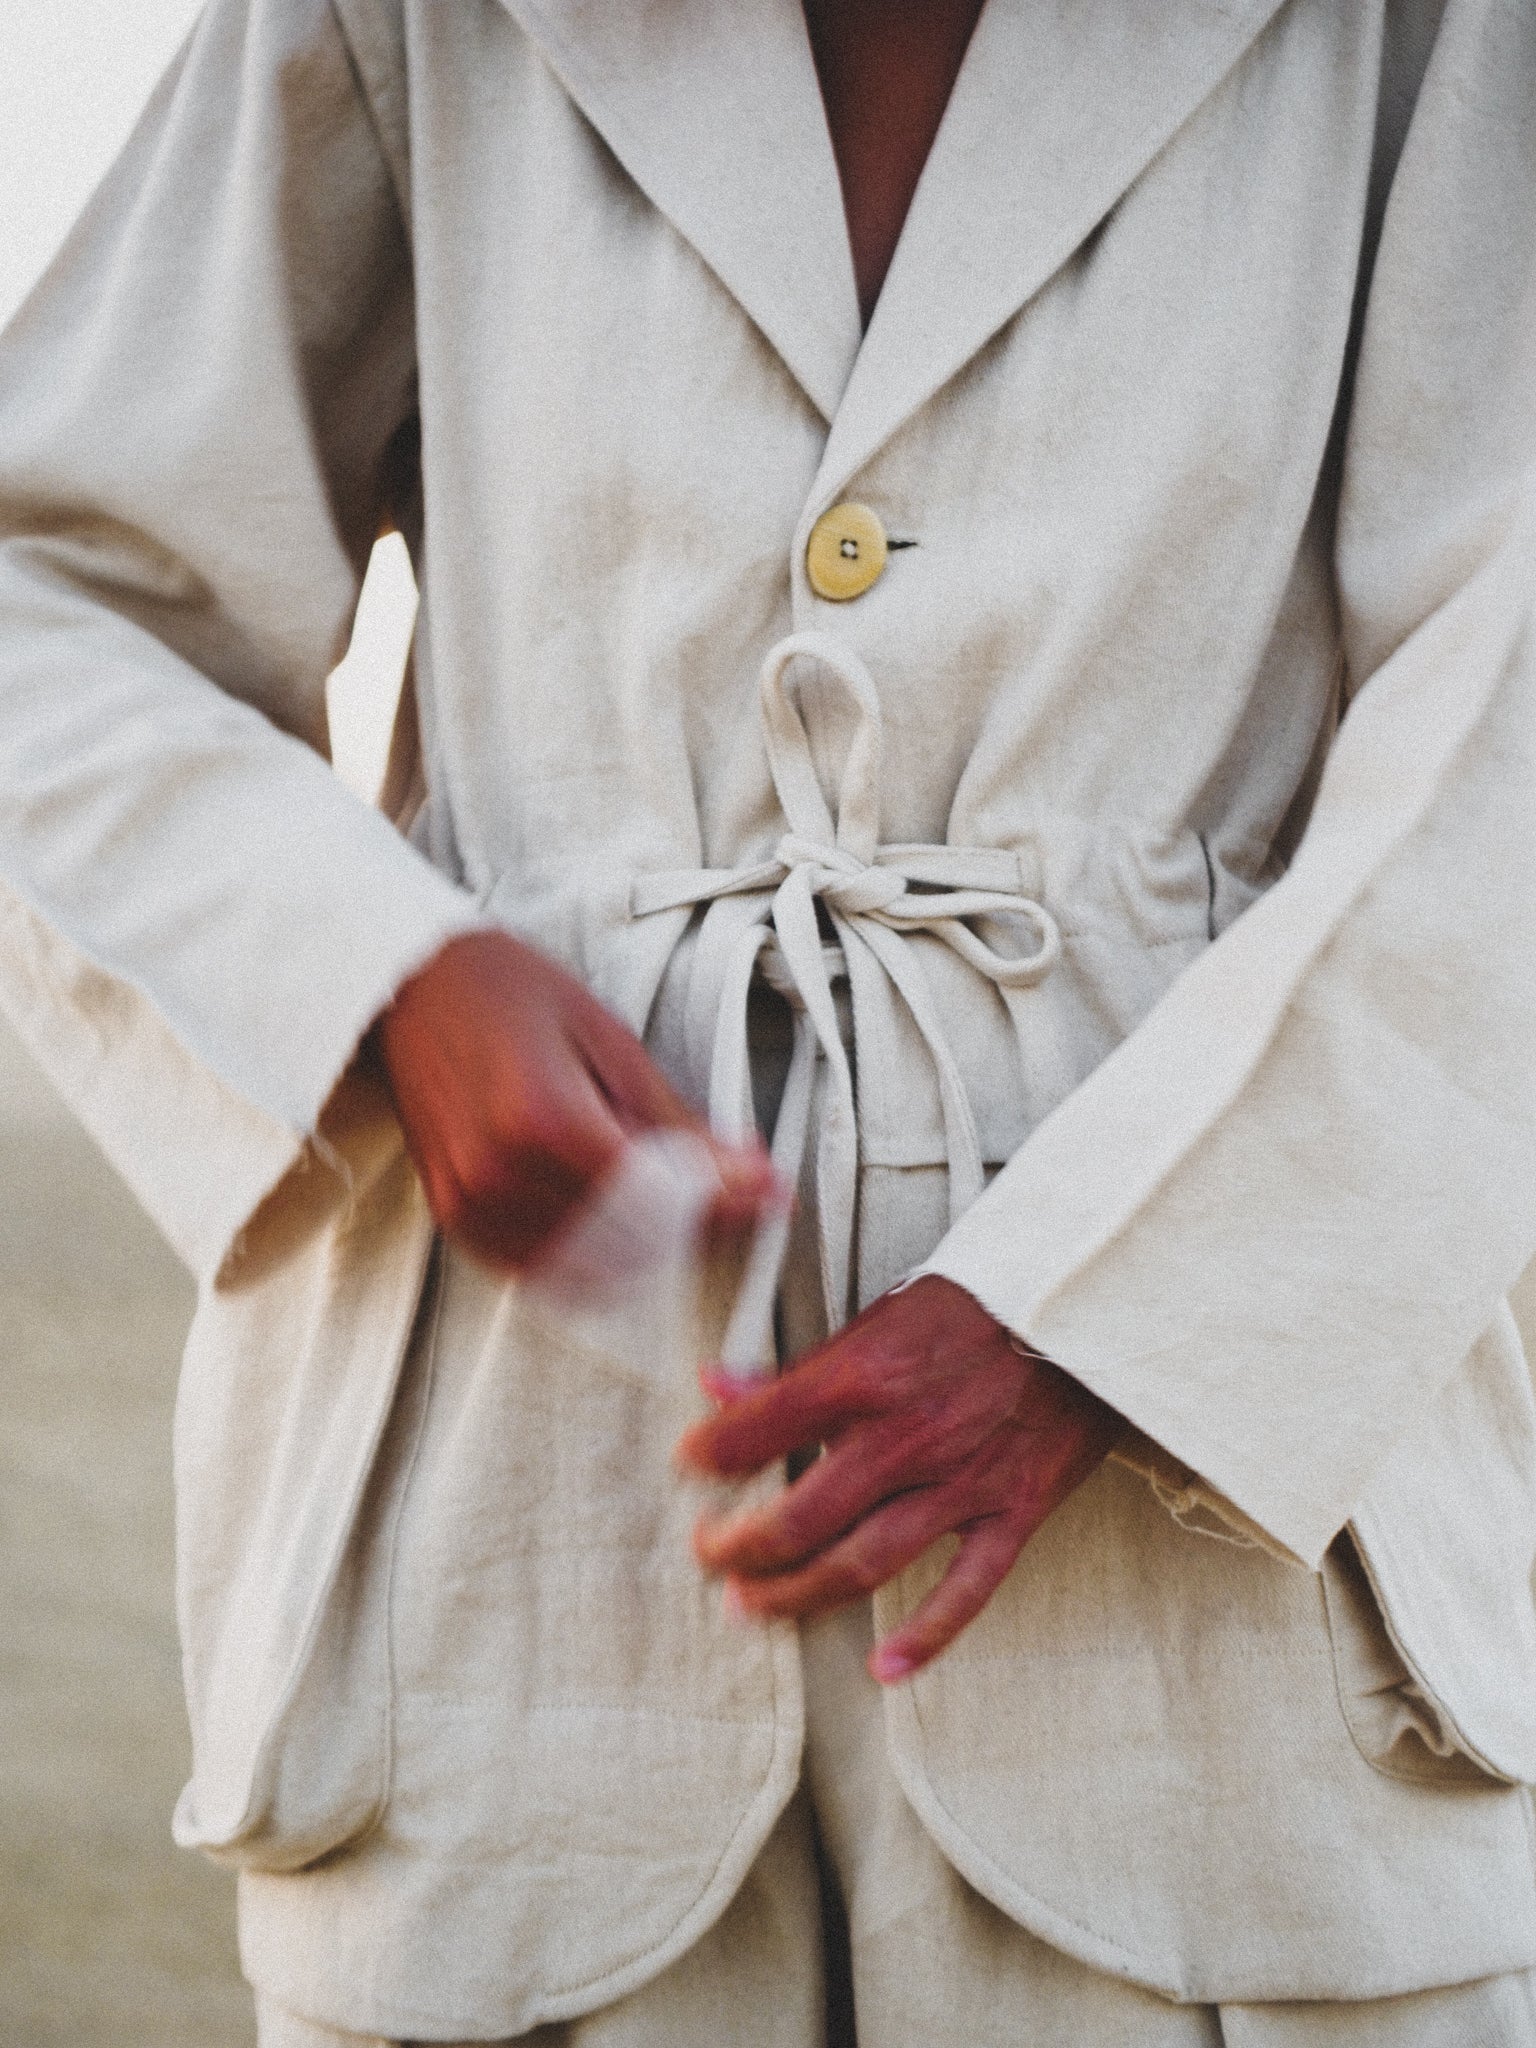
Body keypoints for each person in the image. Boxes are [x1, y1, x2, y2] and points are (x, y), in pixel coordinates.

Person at [1, 0, 1534, 2040]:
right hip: (516, 1600)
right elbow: (55, 591)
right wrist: (379, 980)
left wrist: (1153, 1295)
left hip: (1233, 1665)